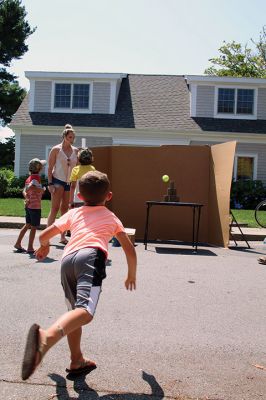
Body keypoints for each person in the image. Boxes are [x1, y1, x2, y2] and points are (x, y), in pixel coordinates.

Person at [21, 170, 137, 381]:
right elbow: (130, 249)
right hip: (91, 257)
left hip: (68, 260)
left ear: (80, 196)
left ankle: (77, 360)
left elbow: (44, 235)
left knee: (74, 313)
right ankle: (45, 337)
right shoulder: (111, 217)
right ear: (108, 196)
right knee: (85, 311)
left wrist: (45, 247)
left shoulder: (74, 213)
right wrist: (131, 274)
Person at [47, 124, 78, 245]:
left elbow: (77, 169)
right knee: (54, 209)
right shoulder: (56, 149)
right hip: (57, 181)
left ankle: (62, 237)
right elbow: (50, 168)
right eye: (70, 137)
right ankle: (47, 236)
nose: (72, 139)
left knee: (65, 209)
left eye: (73, 137)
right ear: (65, 136)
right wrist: (50, 183)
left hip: (68, 183)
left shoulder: (76, 151)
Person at [14, 158, 46, 254]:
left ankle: (18, 243)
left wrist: (27, 197)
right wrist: (42, 190)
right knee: (34, 226)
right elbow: (32, 187)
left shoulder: (28, 178)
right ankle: (30, 247)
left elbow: (24, 190)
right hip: (35, 206)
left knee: (27, 224)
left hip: (28, 205)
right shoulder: (37, 178)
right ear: (39, 169)